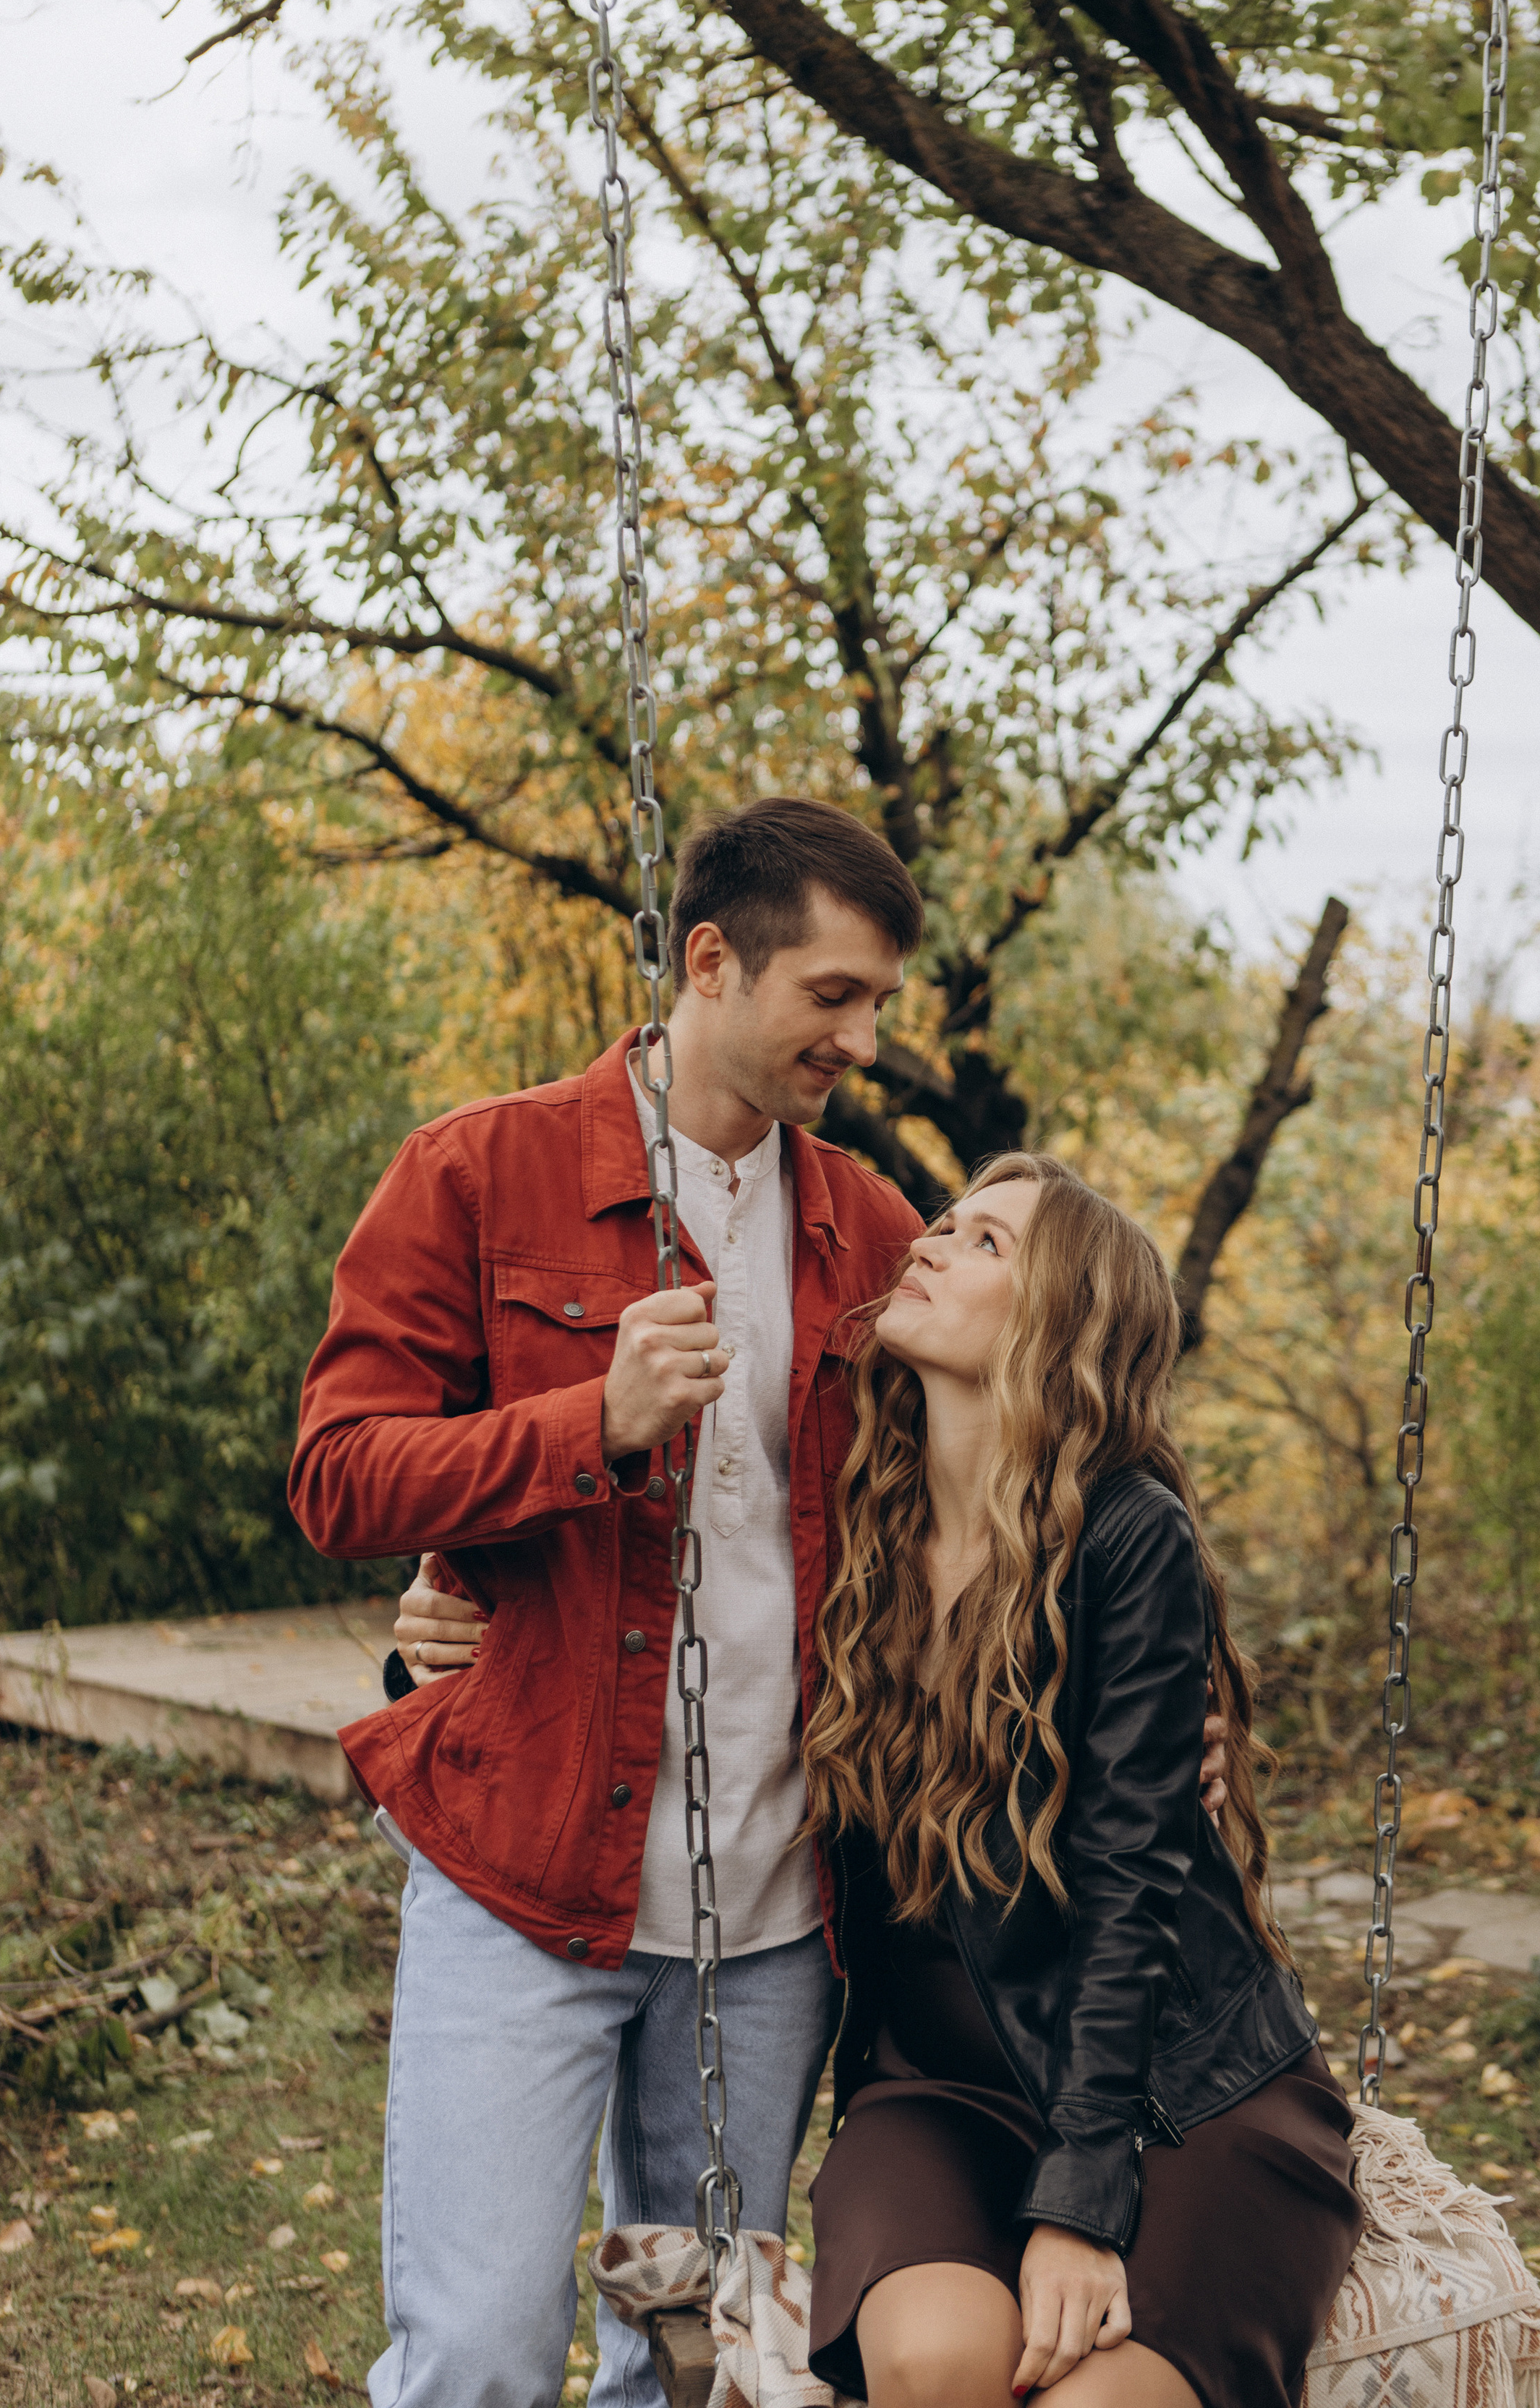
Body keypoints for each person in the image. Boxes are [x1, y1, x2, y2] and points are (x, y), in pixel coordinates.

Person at [289, 798, 927, 2408]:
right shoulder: (476, 1172)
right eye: (831, 997)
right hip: (525, 1877)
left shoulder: (870, 1231)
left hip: (776, 1912)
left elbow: (977, 1511)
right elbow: (340, 1475)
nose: (861, 1038)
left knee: (697, 2370)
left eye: (876, 1005)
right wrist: (589, 1427)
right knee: (478, 2359)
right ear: (709, 961)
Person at [799, 1154, 1363, 2408]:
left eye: (989, 1243)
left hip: (1181, 2087)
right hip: (935, 2087)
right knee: (936, 2364)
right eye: (945, 1224)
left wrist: (1084, 2196)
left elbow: (1128, 1893)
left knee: (1092, 2403)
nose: (933, 1243)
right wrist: (434, 1632)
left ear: (1063, 1320)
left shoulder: (1124, 1535)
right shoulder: (847, 1522)